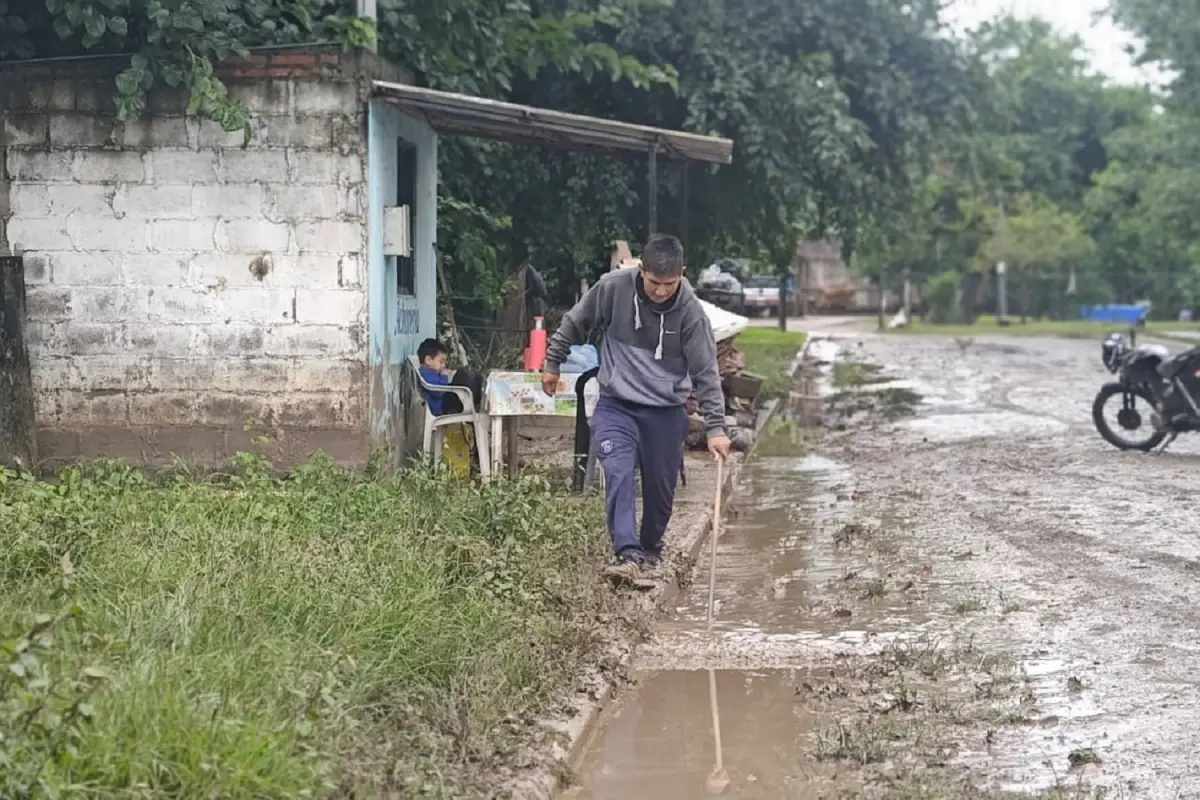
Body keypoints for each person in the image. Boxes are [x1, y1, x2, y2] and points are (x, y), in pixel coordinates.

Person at [542, 234, 732, 579]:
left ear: (682, 274)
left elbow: (706, 372)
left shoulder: (691, 312)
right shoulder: (612, 288)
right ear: (641, 270)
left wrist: (716, 428)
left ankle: (649, 549)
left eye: (669, 284)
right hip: (617, 405)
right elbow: (574, 321)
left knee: (661, 490)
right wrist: (553, 363)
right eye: (654, 282)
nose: (660, 291)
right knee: (618, 472)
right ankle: (627, 555)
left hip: (665, 411)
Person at [416, 338, 484, 415]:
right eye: (441, 361)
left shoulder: (430, 372)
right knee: (462, 375)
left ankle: (478, 395)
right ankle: (476, 399)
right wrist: (445, 376)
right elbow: (438, 391)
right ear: (428, 360)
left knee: (476, 379)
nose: (444, 365)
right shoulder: (425, 373)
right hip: (441, 406)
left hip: (444, 400)